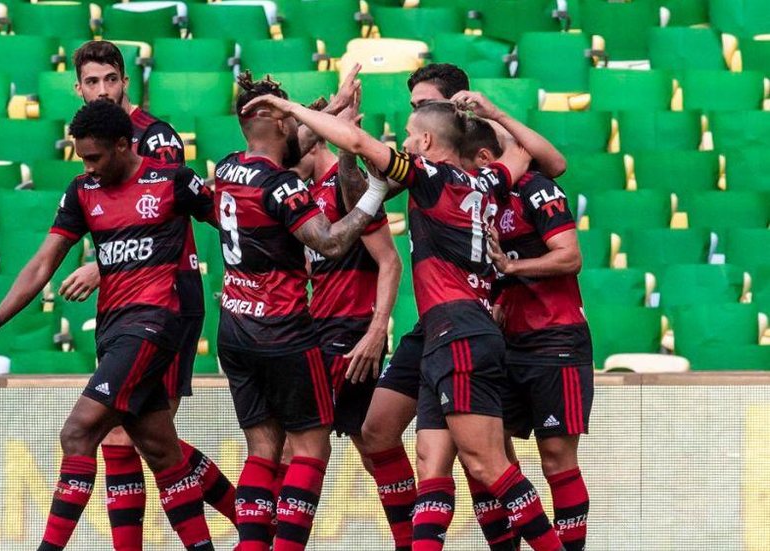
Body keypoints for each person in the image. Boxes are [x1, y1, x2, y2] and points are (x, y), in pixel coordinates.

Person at [240, 94, 565, 551]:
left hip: (460, 330)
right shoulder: (488, 180)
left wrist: (292, 112)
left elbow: (355, 139)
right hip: (448, 331)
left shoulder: (429, 175)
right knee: (429, 459)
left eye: (411, 136)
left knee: (488, 464)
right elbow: (526, 151)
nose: (407, 143)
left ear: (427, 140)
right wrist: (495, 113)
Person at [0, 100, 217, 551]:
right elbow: (44, 264)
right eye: (82, 158)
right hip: (114, 329)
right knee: (161, 450)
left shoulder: (172, 180)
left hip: (155, 323)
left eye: (95, 157)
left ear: (123, 145)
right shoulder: (83, 191)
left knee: (77, 432)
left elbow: (238, 223)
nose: (88, 166)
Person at [357, 63, 568, 551]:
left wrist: (493, 113)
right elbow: (372, 177)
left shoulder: (475, 151)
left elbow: (550, 162)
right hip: (436, 325)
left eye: (423, 108)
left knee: (483, 463)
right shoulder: (438, 167)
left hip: (466, 321)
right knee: (387, 434)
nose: (414, 119)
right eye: (413, 110)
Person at [58, 41, 237, 548]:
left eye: (109, 79)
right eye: (91, 82)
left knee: (132, 434)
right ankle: (247, 519)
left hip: (169, 292)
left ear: (125, 81)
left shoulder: (155, 138)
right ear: (78, 88)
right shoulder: (92, 142)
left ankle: (246, 521)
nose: (102, 90)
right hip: (126, 299)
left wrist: (100, 264)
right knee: (143, 435)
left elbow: (158, 209)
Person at [217, 72, 386, 551]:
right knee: (311, 447)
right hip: (284, 331)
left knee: (263, 449)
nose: (295, 123)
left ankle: (252, 546)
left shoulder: (228, 168)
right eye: (286, 115)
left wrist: (330, 110)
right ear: (272, 120)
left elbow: (292, 141)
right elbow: (330, 242)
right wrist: (373, 194)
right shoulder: (282, 188)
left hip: (234, 326)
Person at [463, 118, 592, 551]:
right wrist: (500, 293)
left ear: (487, 157)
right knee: (487, 457)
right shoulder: (484, 199)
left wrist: (512, 269)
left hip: (556, 339)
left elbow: (569, 257)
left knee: (556, 458)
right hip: (506, 342)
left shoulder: (537, 188)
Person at [285, 95, 402, 505]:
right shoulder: (310, 192)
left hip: (349, 333)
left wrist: (375, 333)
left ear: (317, 144)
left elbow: (390, 261)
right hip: (322, 327)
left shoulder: (346, 185)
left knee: (295, 446)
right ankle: (417, 530)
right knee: (371, 445)